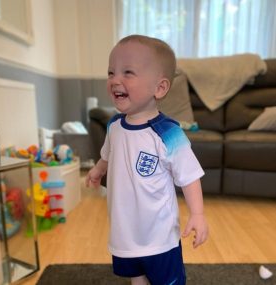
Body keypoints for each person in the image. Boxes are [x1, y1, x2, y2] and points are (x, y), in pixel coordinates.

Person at [86, 34, 208, 285]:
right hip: (124, 234)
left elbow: (190, 175)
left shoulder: (168, 132)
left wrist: (198, 214)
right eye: (111, 72)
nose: (115, 80)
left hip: (159, 236)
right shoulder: (114, 125)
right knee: (136, 277)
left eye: (127, 72)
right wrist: (98, 170)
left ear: (159, 88)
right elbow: (107, 155)